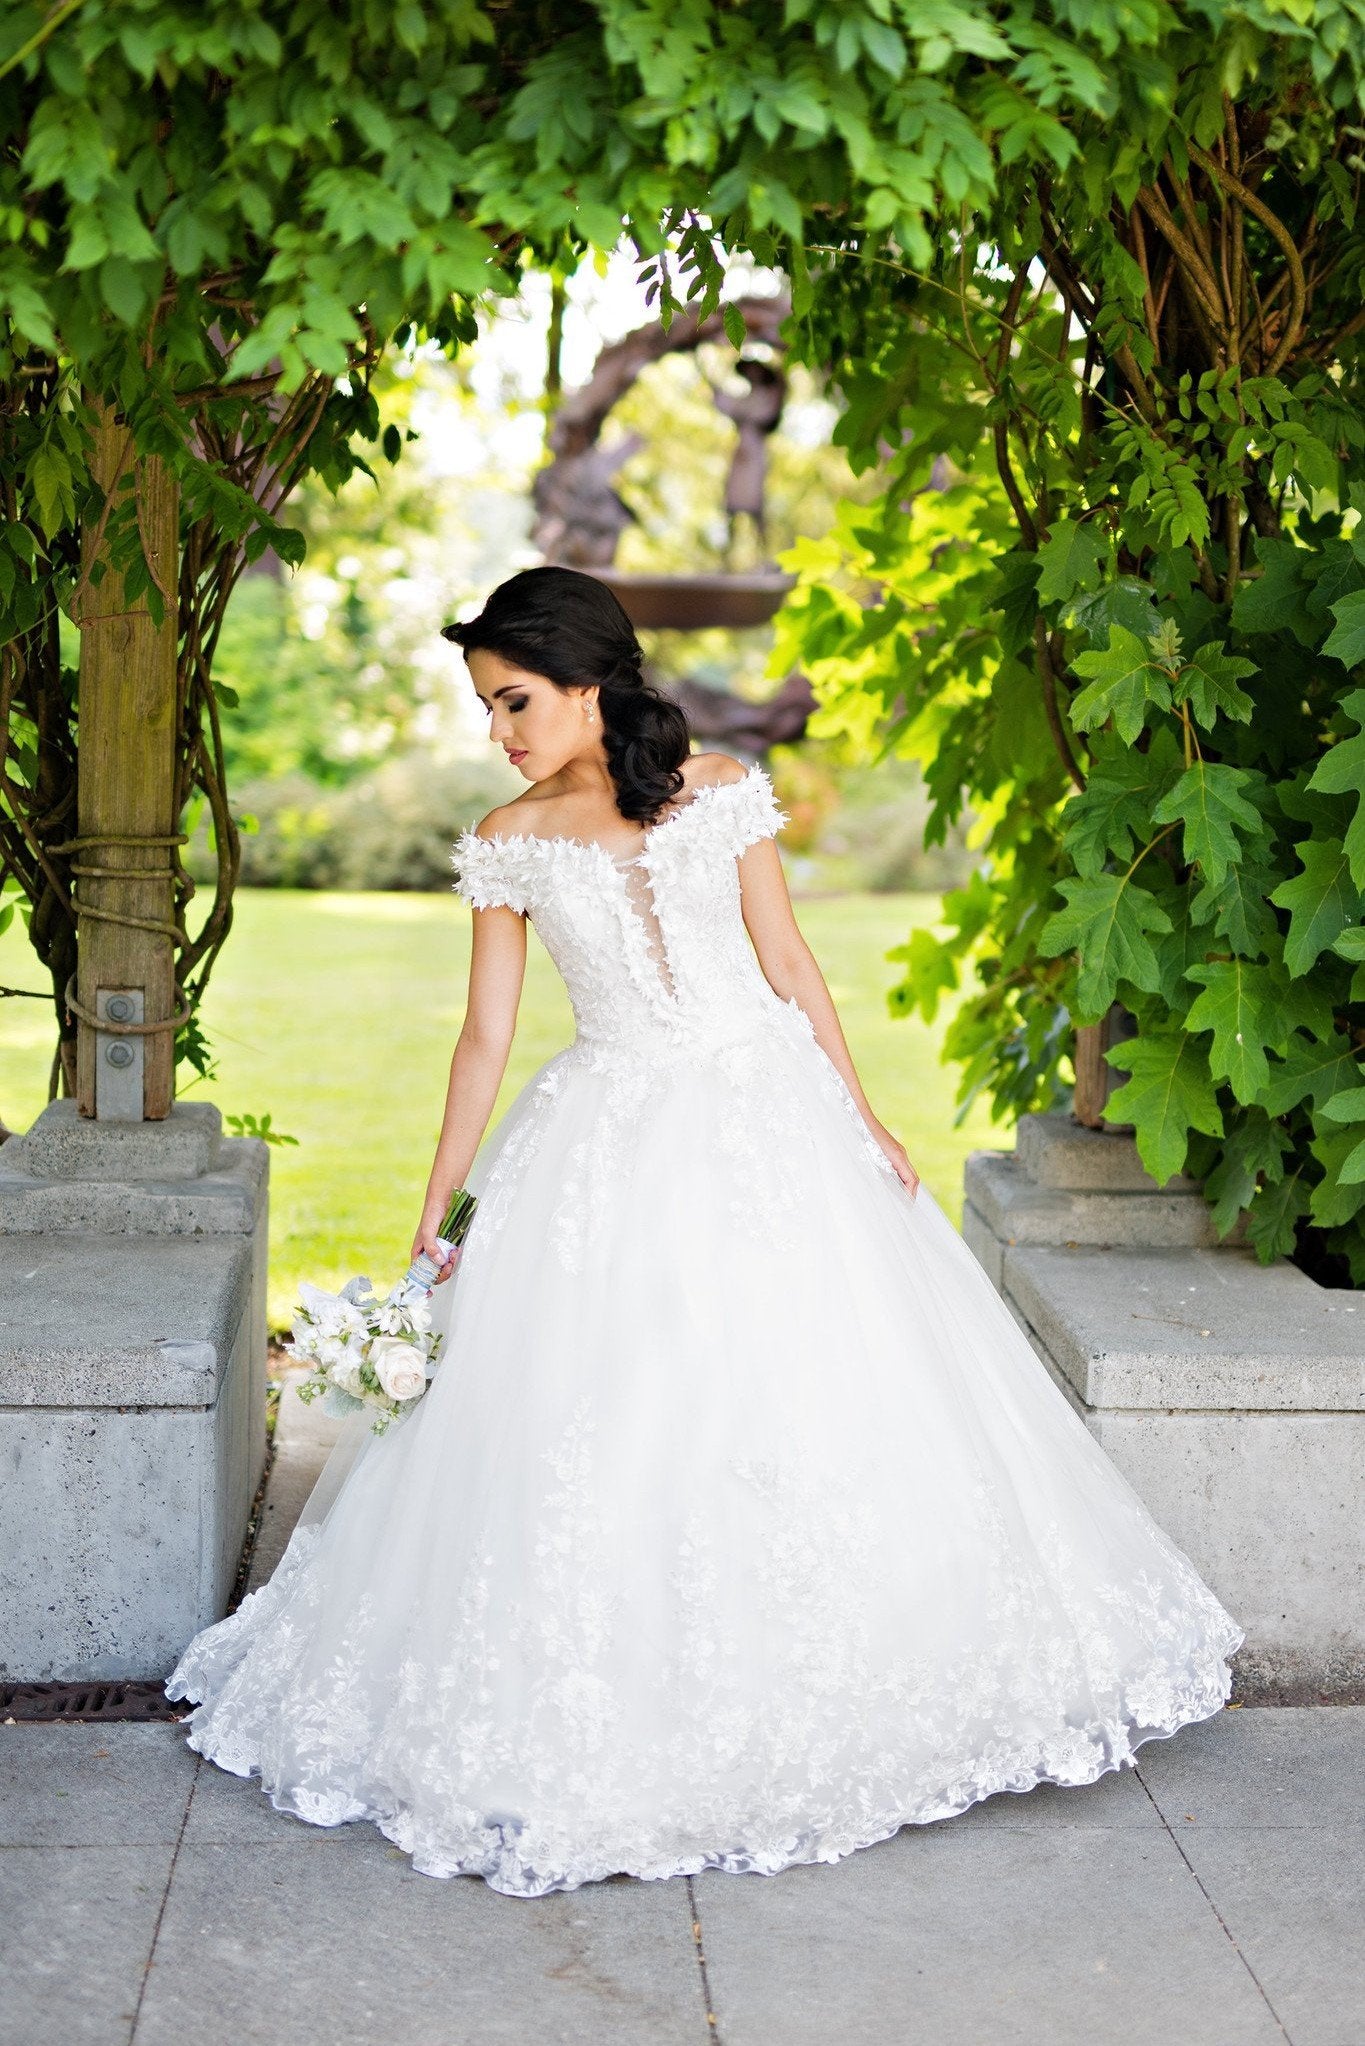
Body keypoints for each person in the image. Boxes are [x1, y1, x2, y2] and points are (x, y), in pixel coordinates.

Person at [167, 565, 1242, 1899]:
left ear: (587, 682)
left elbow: (788, 963)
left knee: (815, 1382)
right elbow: (485, 1036)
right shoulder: (508, 839)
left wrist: (864, 1116)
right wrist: (438, 1213)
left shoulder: (721, 789)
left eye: (514, 700)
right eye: (486, 708)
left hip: (769, 1114)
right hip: (606, 1133)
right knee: (624, 1401)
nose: (497, 731)